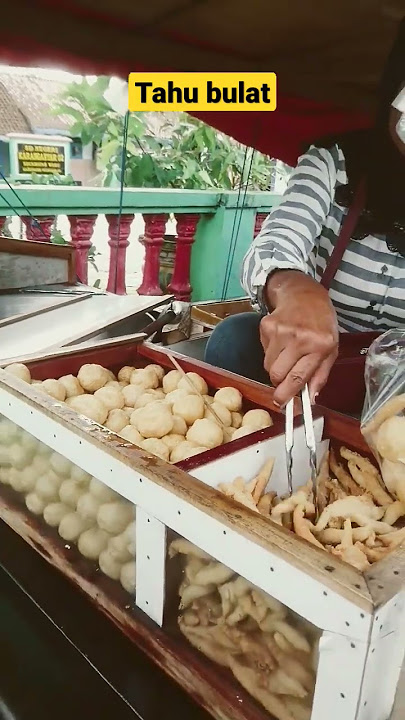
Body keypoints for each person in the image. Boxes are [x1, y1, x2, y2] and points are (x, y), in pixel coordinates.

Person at [205, 19, 405, 409]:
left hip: (397, 390)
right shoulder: (336, 162)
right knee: (233, 338)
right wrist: (293, 287)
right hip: (306, 366)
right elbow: (274, 243)